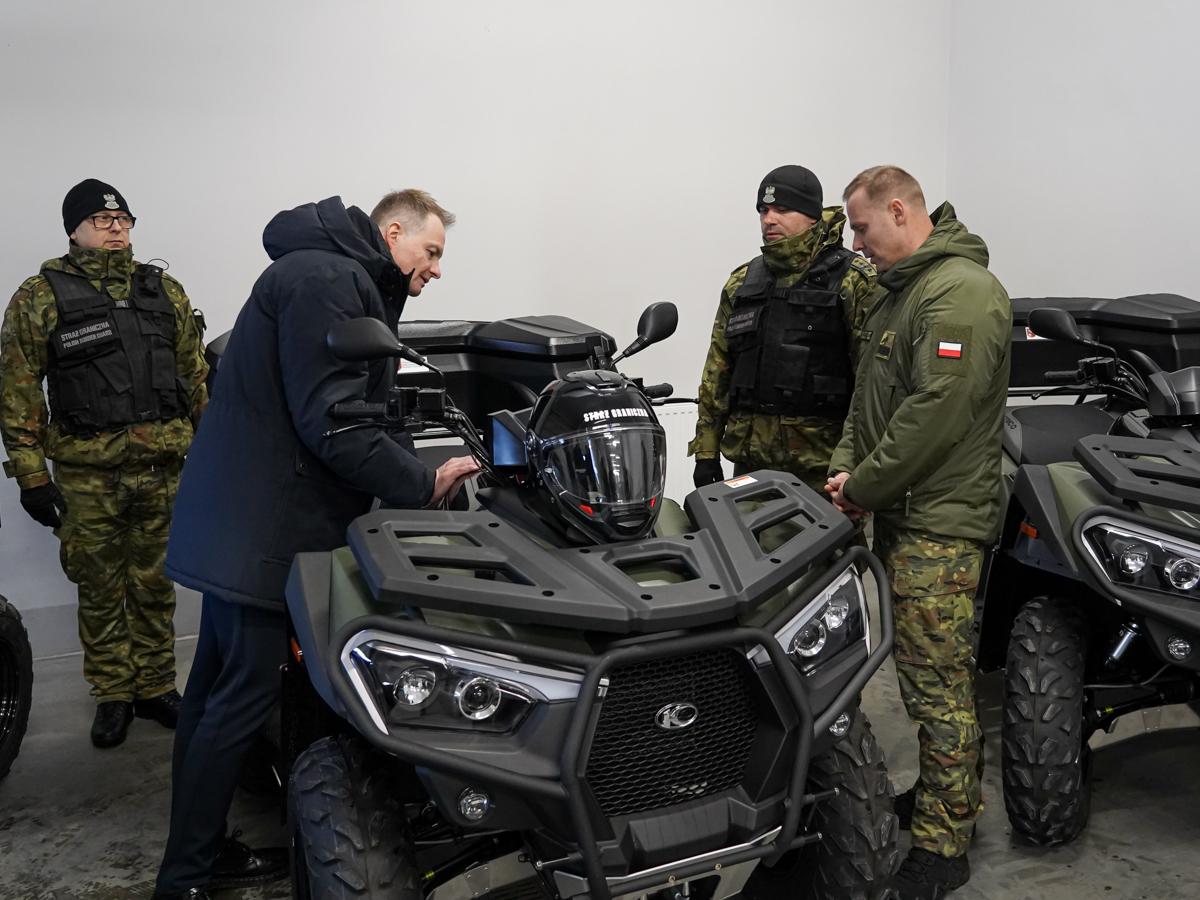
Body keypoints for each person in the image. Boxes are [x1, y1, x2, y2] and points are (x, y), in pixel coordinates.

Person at [150, 190, 479, 900]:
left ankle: (194, 857)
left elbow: (348, 407)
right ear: (394, 231)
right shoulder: (330, 279)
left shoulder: (327, 272)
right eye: (431, 252)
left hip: (245, 521)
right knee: (236, 701)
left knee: (211, 697)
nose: (435, 269)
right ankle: (187, 877)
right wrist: (422, 482)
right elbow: (335, 424)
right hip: (267, 531)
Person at [826, 165, 1011, 899]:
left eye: (862, 227)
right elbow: (867, 403)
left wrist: (862, 488)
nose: (856, 243)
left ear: (899, 211)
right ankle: (947, 796)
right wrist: (846, 471)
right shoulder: (900, 295)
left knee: (938, 688)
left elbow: (935, 415)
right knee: (921, 679)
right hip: (904, 515)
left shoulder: (961, 292)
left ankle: (944, 843)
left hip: (940, 525)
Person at [0, 179, 208, 748]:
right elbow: (19, 392)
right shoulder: (41, 296)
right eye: (101, 219)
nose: (115, 227)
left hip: (163, 471)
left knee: (155, 584)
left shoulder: (163, 291)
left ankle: (156, 686)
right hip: (89, 478)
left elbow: (195, 378)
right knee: (98, 587)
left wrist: (213, 455)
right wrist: (32, 476)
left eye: (123, 219)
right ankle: (113, 693)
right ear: (74, 230)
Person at [689, 164, 877, 493]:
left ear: (813, 216)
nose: (769, 220)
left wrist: (855, 466)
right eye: (763, 211)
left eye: (782, 209)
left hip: (826, 473)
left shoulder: (853, 280)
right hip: (750, 469)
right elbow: (717, 373)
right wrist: (706, 452)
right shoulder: (742, 282)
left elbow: (871, 384)